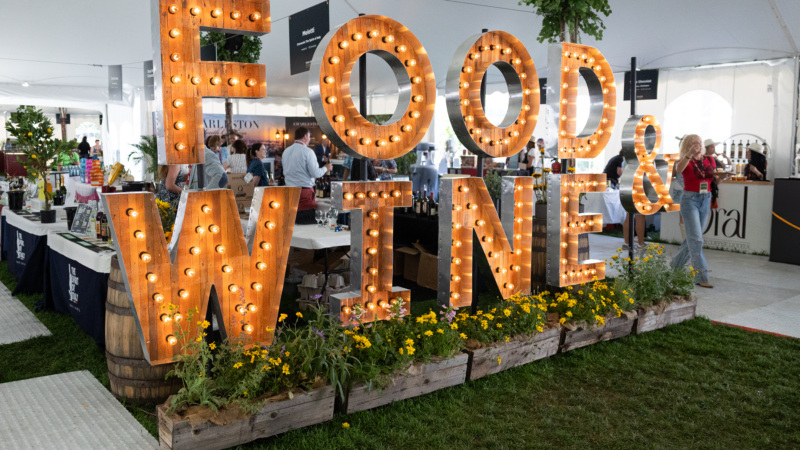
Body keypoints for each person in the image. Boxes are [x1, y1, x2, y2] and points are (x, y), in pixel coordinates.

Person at [670, 134, 727, 288]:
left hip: (705, 198)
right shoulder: (683, 161)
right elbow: (679, 170)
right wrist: (689, 153)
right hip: (690, 200)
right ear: (687, 145)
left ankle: (674, 268)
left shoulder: (709, 159)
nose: (698, 145)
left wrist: (720, 178)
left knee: (693, 239)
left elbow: (714, 180)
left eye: (700, 142)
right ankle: (701, 276)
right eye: (694, 143)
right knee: (696, 239)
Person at [282, 127, 332, 210]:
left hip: (289, 192)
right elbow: (315, 173)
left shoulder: (286, 151)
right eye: (309, 136)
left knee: (292, 217)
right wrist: (326, 168)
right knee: (306, 218)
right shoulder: (308, 151)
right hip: (304, 193)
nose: (309, 139)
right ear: (305, 136)